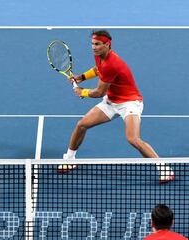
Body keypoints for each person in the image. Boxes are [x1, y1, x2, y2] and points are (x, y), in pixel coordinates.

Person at [59, 30, 174, 184]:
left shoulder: (112, 64)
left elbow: (99, 92)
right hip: (112, 101)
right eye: (92, 44)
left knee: (133, 139)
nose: (94, 47)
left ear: (107, 44)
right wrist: (82, 77)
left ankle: (164, 168)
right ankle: (70, 159)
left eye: (98, 44)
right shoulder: (100, 56)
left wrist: (83, 92)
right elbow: (97, 69)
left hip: (129, 103)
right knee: (81, 125)